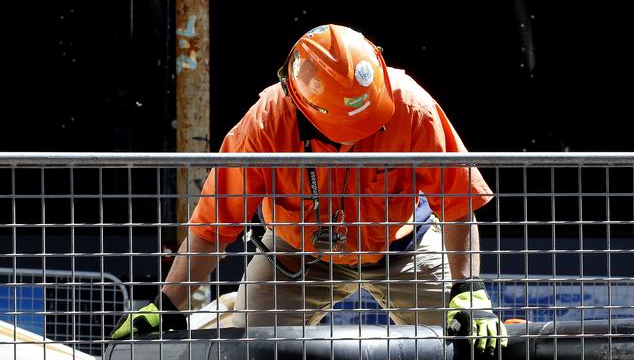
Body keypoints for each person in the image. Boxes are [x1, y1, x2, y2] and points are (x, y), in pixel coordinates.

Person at [111, 24, 507, 355]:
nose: (356, 143)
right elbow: (212, 226)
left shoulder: (412, 107)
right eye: (346, 136)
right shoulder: (264, 125)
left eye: (368, 127)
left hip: (402, 246)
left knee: (472, 338)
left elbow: (458, 203)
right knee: (249, 348)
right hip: (294, 256)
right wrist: (167, 305)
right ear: (305, 110)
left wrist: (468, 288)